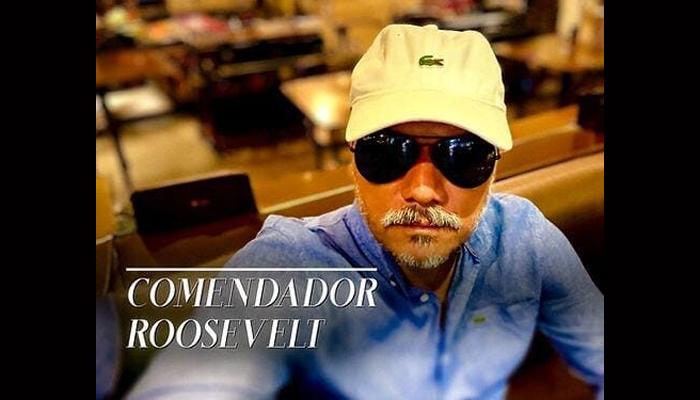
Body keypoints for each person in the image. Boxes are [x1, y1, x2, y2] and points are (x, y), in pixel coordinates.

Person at [128, 24, 603, 400]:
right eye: (387, 152)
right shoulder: (291, 267)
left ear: (495, 167)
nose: (423, 190)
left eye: (463, 156)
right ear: (352, 159)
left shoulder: (524, 237)